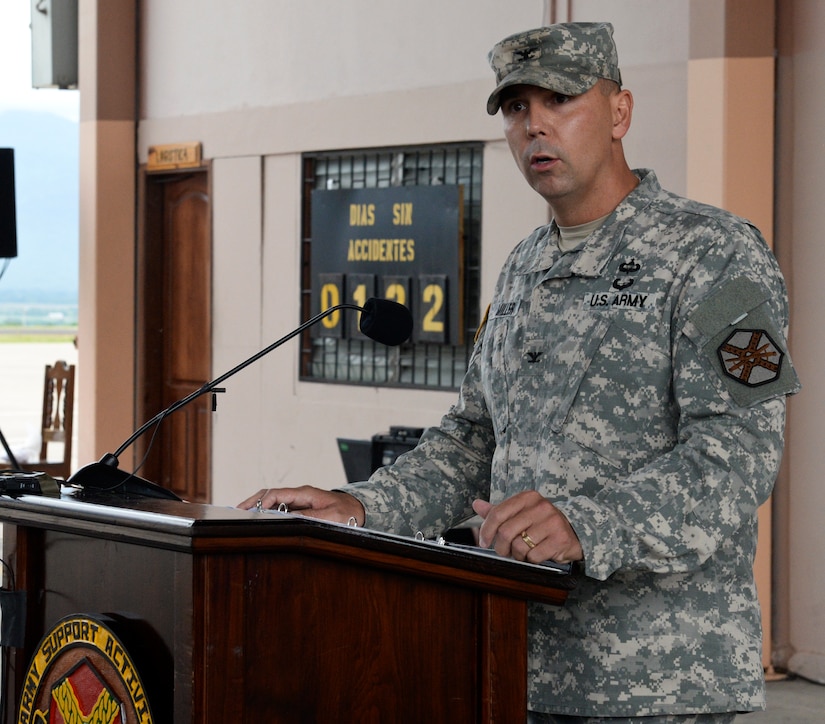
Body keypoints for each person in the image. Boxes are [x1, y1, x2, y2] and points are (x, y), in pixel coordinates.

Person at [240, 22, 801, 722]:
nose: (535, 125)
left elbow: (740, 456)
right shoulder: (523, 267)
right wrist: (361, 506)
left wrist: (587, 523)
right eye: (514, 108)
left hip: (658, 684)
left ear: (619, 111)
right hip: (514, 663)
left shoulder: (714, 254)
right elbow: (472, 440)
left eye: (559, 100)